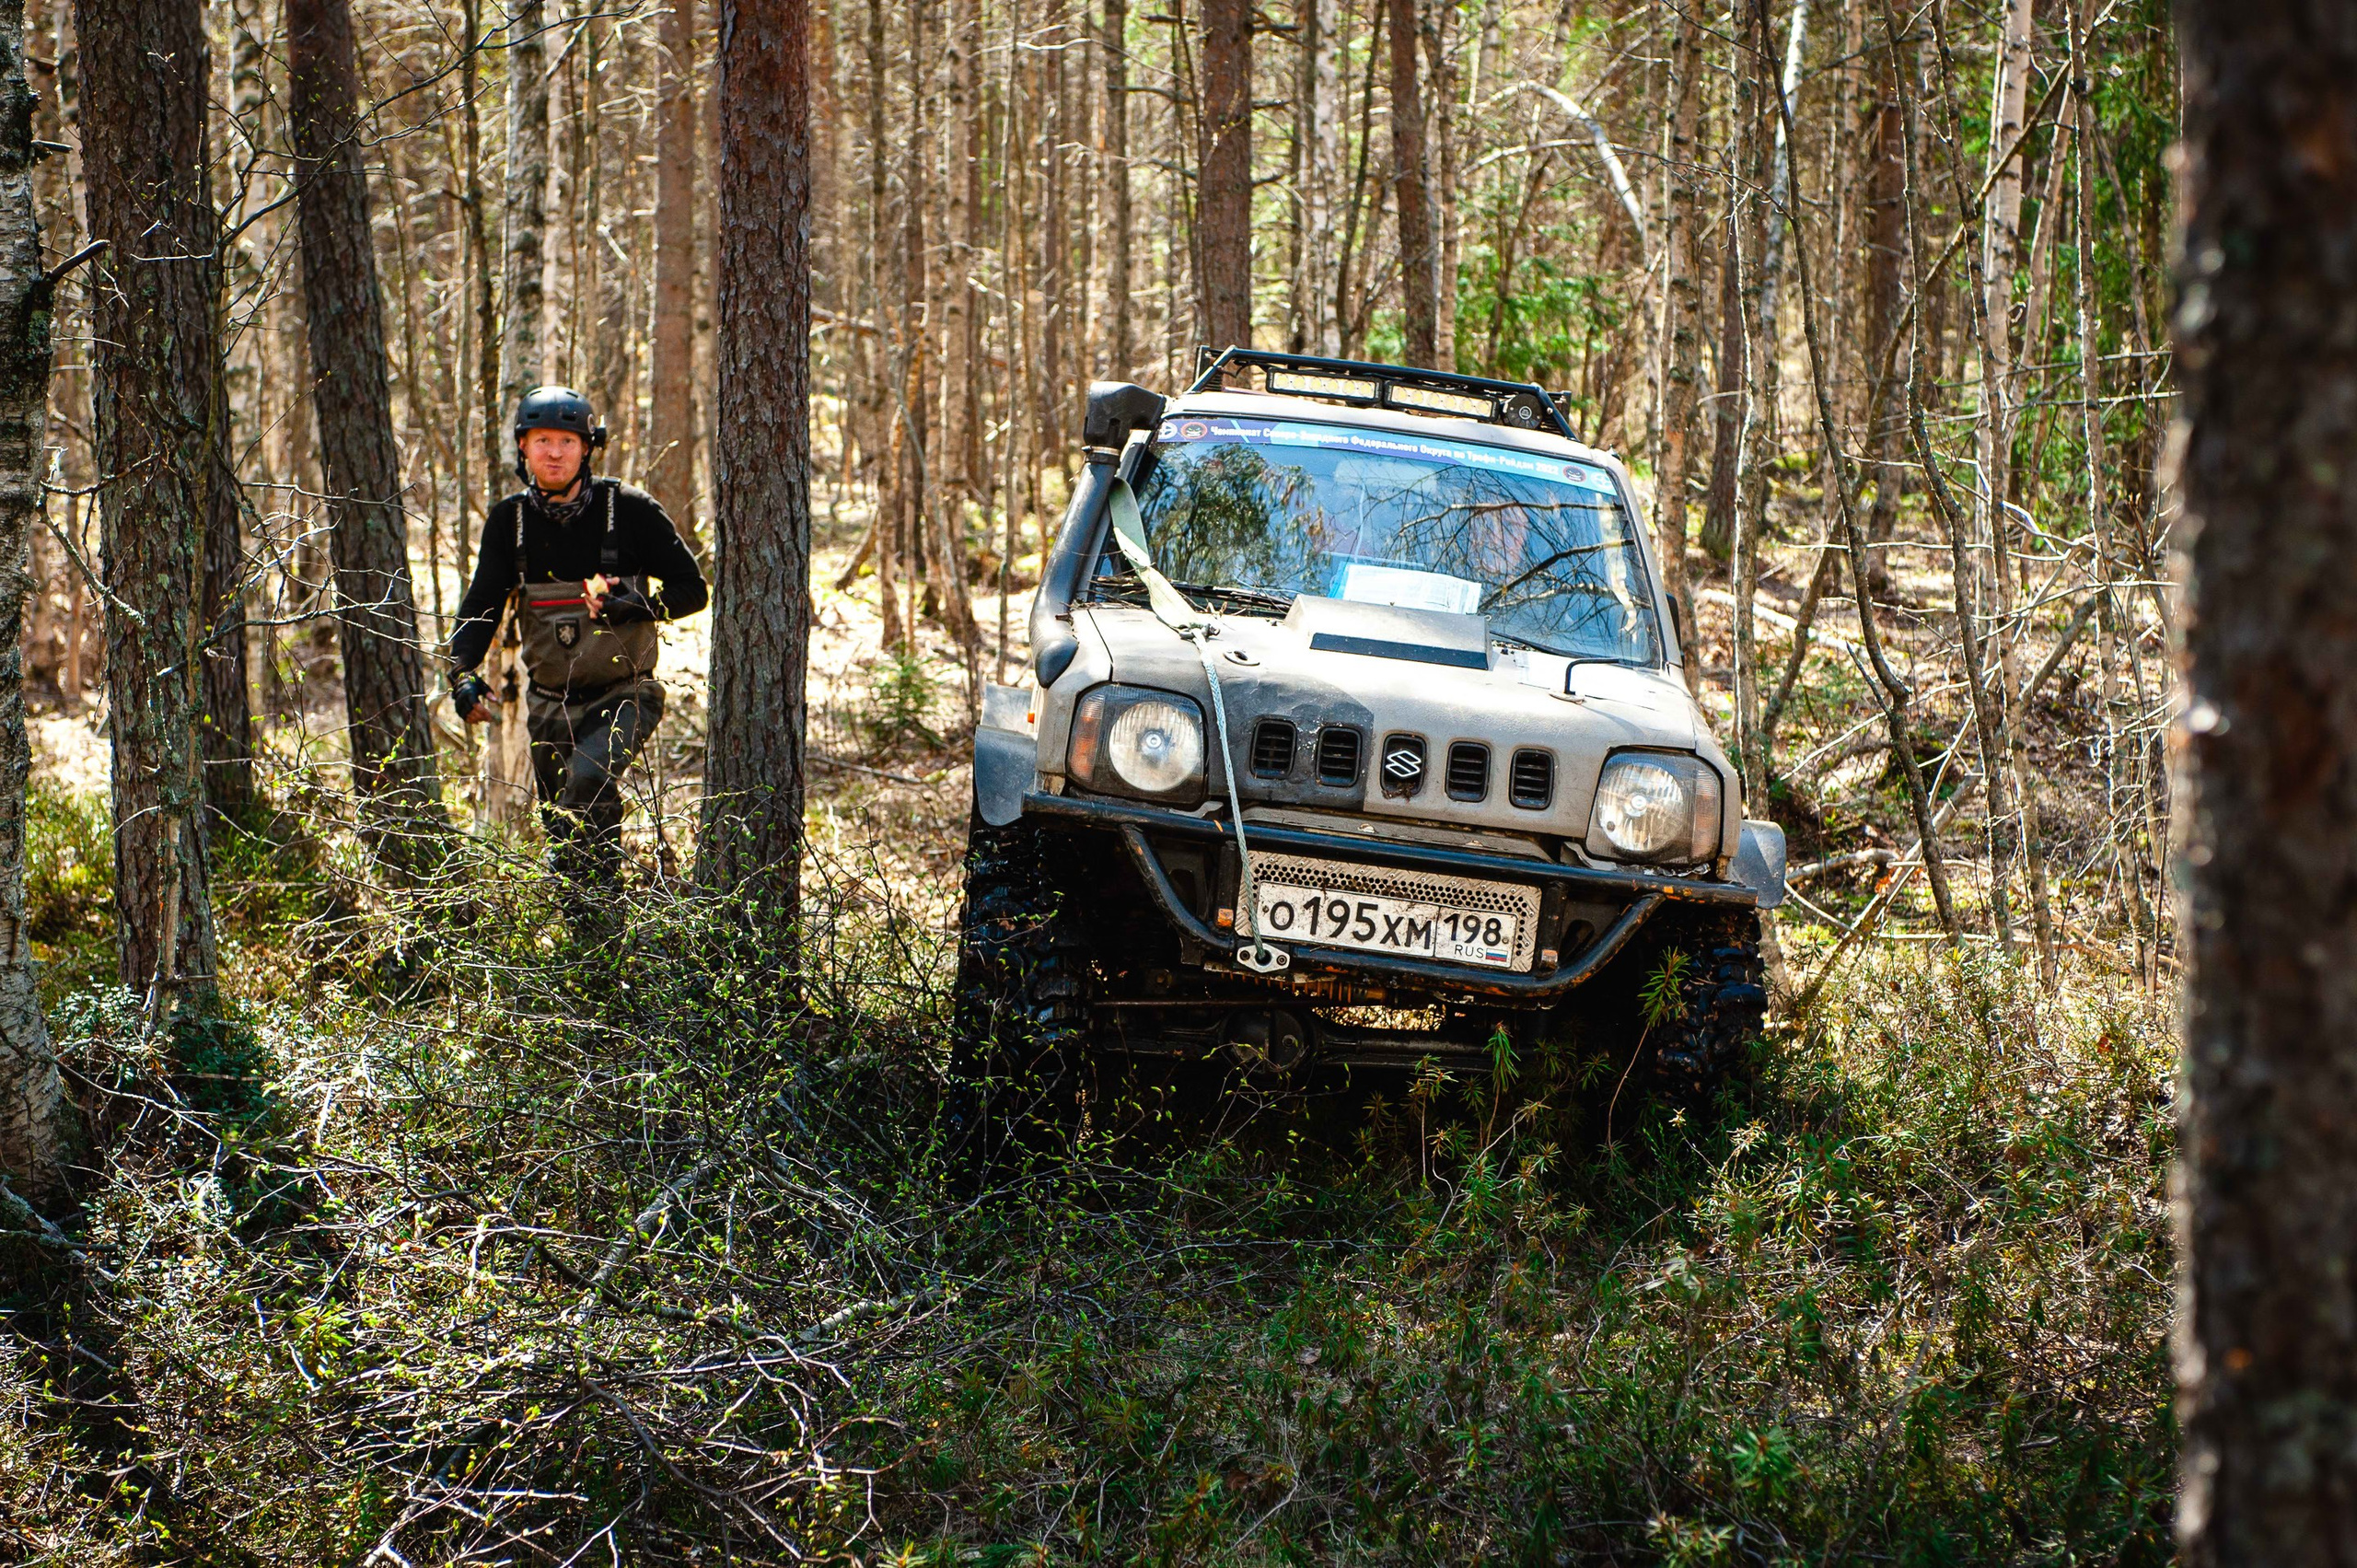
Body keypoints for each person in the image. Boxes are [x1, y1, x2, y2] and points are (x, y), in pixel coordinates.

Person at [448, 387, 707, 899]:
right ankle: (594, 934)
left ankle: (607, 921)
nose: (554, 452)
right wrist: (461, 673)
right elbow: (481, 607)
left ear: (587, 447)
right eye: (541, 439)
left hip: (625, 695)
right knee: (565, 830)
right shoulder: (509, 523)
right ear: (522, 448)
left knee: (586, 781)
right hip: (547, 706)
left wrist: (638, 606)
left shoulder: (630, 510)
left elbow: (693, 589)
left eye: (567, 441)